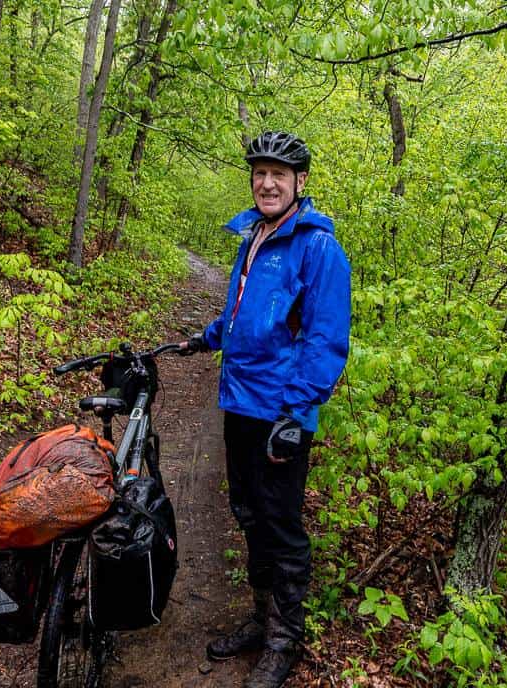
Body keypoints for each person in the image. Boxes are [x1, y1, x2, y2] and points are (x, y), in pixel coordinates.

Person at [179, 131, 351, 688]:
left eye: (280, 174)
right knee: (249, 514)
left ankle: (284, 640)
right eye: (260, 172)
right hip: (240, 403)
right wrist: (207, 338)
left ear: (300, 182)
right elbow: (246, 313)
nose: (267, 182)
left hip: (281, 413)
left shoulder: (317, 246)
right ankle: (260, 619)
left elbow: (325, 339)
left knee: (281, 526)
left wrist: (296, 415)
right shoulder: (252, 235)